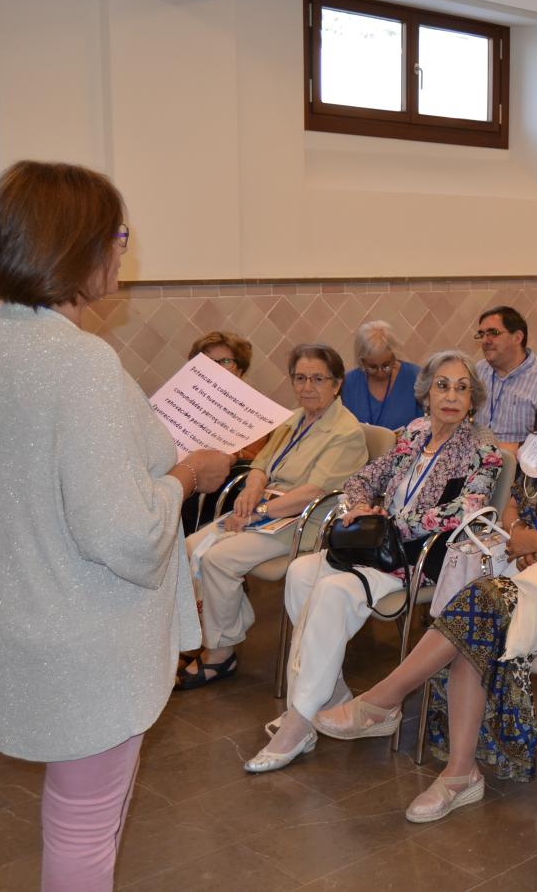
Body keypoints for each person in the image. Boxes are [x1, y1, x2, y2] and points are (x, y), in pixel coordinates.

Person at [0, 161, 233, 890]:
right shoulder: (78, 361)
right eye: (117, 235)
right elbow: (124, 534)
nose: (122, 249)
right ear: (77, 245)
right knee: (84, 828)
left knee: (70, 811)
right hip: (83, 633)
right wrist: (188, 476)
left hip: (13, 617)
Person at [317, 370, 537, 822]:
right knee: (474, 621)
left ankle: (386, 702)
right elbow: (509, 513)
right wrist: (523, 536)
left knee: (477, 605)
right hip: (526, 578)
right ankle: (458, 772)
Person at [243, 350, 504, 773]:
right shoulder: (414, 434)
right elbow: (364, 477)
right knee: (300, 572)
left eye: (462, 388)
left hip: (415, 559)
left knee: (332, 591)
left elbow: (466, 509)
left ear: (472, 399)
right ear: (426, 393)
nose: (451, 396)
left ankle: (299, 721)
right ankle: (325, 696)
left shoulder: (481, 449)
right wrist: (361, 506)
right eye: (442, 386)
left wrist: (395, 522)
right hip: (374, 546)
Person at [180, 343, 369, 689]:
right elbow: (262, 464)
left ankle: (221, 653)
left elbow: (313, 492)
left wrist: (258, 513)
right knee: (191, 546)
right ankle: (222, 627)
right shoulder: (294, 418)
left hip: (304, 522)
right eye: (300, 378)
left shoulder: (346, 433)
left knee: (218, 560)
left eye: (317, 379)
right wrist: (252, 490)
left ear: (337, 383)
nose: (307, 387)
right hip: (266, 510)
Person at [182, 330, 268, 530]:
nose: (216, 368)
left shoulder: (255, 409)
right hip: (185, 483)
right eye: (207, 361)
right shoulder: (184, 404)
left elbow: (253, 460)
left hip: (226, 489)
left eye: (225, 362)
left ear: (240, 369)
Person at [473, 305, 537, 447]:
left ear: (517, 337)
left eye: (493, 333)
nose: (485, 341)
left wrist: (512, 449)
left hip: (519, 459)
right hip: (475, 456)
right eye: (482, 334)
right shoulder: (478, 370)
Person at [341, 320, 421, 431]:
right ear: (361, 361)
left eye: (386, 365)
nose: (380, 373)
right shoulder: (348, 384)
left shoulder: (415, 377)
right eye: (372, 367)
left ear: (394, 356)